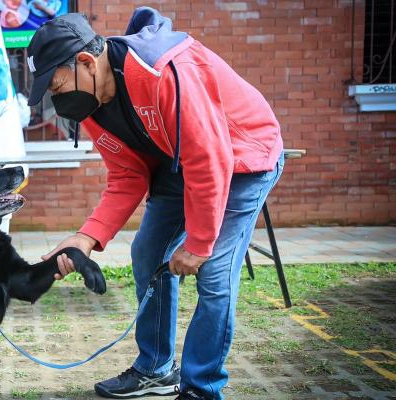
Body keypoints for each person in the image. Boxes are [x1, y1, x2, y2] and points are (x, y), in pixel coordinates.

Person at [26, 9, 284, 400]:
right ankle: (156, 369)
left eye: (57, 87)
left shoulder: (165, 70)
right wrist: (85, 238)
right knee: (148, 253)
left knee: (213, 273)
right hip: (178, 163)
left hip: (243, 157)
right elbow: (128, 176)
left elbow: (209, 159)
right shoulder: (92, 106)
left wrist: (197, 244)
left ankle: (201, 388)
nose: (56, 99)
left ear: (85, 62)